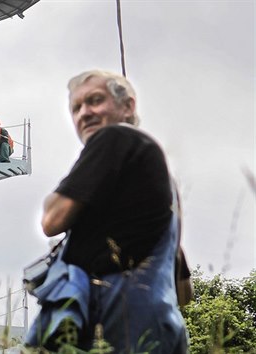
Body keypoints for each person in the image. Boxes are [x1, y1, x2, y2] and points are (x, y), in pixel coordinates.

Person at [38, 70, 188, 352]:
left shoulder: (114, 137)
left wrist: (54, 200)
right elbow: (184, 292)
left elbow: (51, 220)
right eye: (76, 108)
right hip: (160, 327)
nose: (84, 113)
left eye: (95, 100)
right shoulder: (163, 188)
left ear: (128, 106)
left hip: (119, 325)